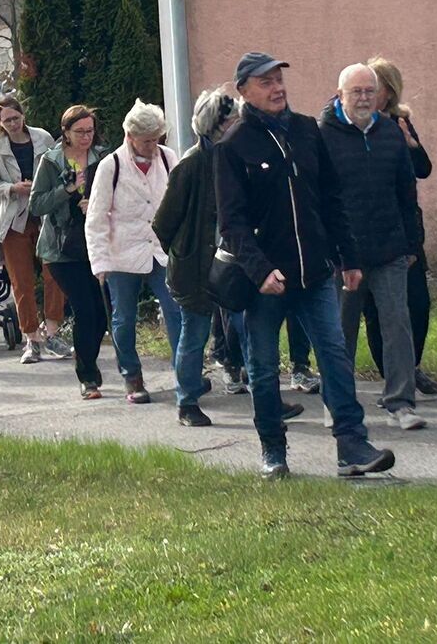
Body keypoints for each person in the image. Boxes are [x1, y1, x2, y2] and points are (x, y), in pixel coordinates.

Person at [216, 52, 394, 479]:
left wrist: (348, 256)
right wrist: (260, 270)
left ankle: (352, 445)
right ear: (244, 91)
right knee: (263, 367)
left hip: (315, 273)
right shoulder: (233, 145)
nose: (277, 88)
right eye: (265, 82)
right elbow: (231, 223)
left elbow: (331, 198)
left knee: (334, 356)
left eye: (279, 79)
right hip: (267, 282)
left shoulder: (306, 130)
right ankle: (273, 450)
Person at [319, 64, 426, 431]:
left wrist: (411, 243)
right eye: (356, 92)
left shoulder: (390, 132)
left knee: (397, 324)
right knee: (340, 331)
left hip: (390, 248)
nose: (364, 98)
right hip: (342, 253)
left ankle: (401, 403)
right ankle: (338, 402)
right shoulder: (323, 135)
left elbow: (406, 191)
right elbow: (316, 197)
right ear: (340, 95)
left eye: (370, 91)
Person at [86, 100, 181, 405]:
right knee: (124, 318)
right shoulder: (110, 166)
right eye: (147, 141)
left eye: (157, 139)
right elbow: (96, 217)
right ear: (130, 136)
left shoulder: (168, 158)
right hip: (122, 254)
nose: (153, 146)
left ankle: (185, 373)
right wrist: (100, 262)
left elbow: (180, 203)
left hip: (161, 251)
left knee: (176, 311)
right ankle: (132, 376)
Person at [153, 87, 236, 425]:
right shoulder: (190, 165)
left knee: (249, 330)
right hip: (195, 268)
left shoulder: (236, 159)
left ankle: (265, 396)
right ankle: (186, 402)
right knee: (195, 334)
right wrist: (184, 253)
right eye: (233, 120)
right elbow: (164, 222)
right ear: (216, 125)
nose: (239, 125)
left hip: (234, 264)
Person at [362, 55, 437, 397]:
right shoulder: (353, 125)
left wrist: (411, 144)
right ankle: (391, 376)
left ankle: (411, 366)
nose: (368, 94)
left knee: (418, 303)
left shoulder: (399, 122)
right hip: (368, 230)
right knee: (375, 308)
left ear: (389, 93)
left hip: (405, 227)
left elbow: (423, 169)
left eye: (375, 88)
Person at [0, 95, 71, 363]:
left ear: (23, 116)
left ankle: (52, 331)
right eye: (7, 120)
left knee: (55, 274)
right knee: (21, 281)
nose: (13, 124)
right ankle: (31, 337)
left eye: (16, 118)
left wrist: (45, 188)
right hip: (13, 219)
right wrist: (12, 188)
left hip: (45, 216)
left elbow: (59, 169)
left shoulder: (42, 137)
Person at [30, 104, 111, 398]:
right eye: (79, 132)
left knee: (101, 314)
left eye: (90, 131)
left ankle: (87, 361)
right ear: (65, 132)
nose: (86, 137)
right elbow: (36, 205)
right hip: (61, 249)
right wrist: (65, 191)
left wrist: (97, 205)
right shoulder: (51, 162)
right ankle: (87, 376)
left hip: (95, 244)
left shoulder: (103, 157)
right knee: (84, 309)